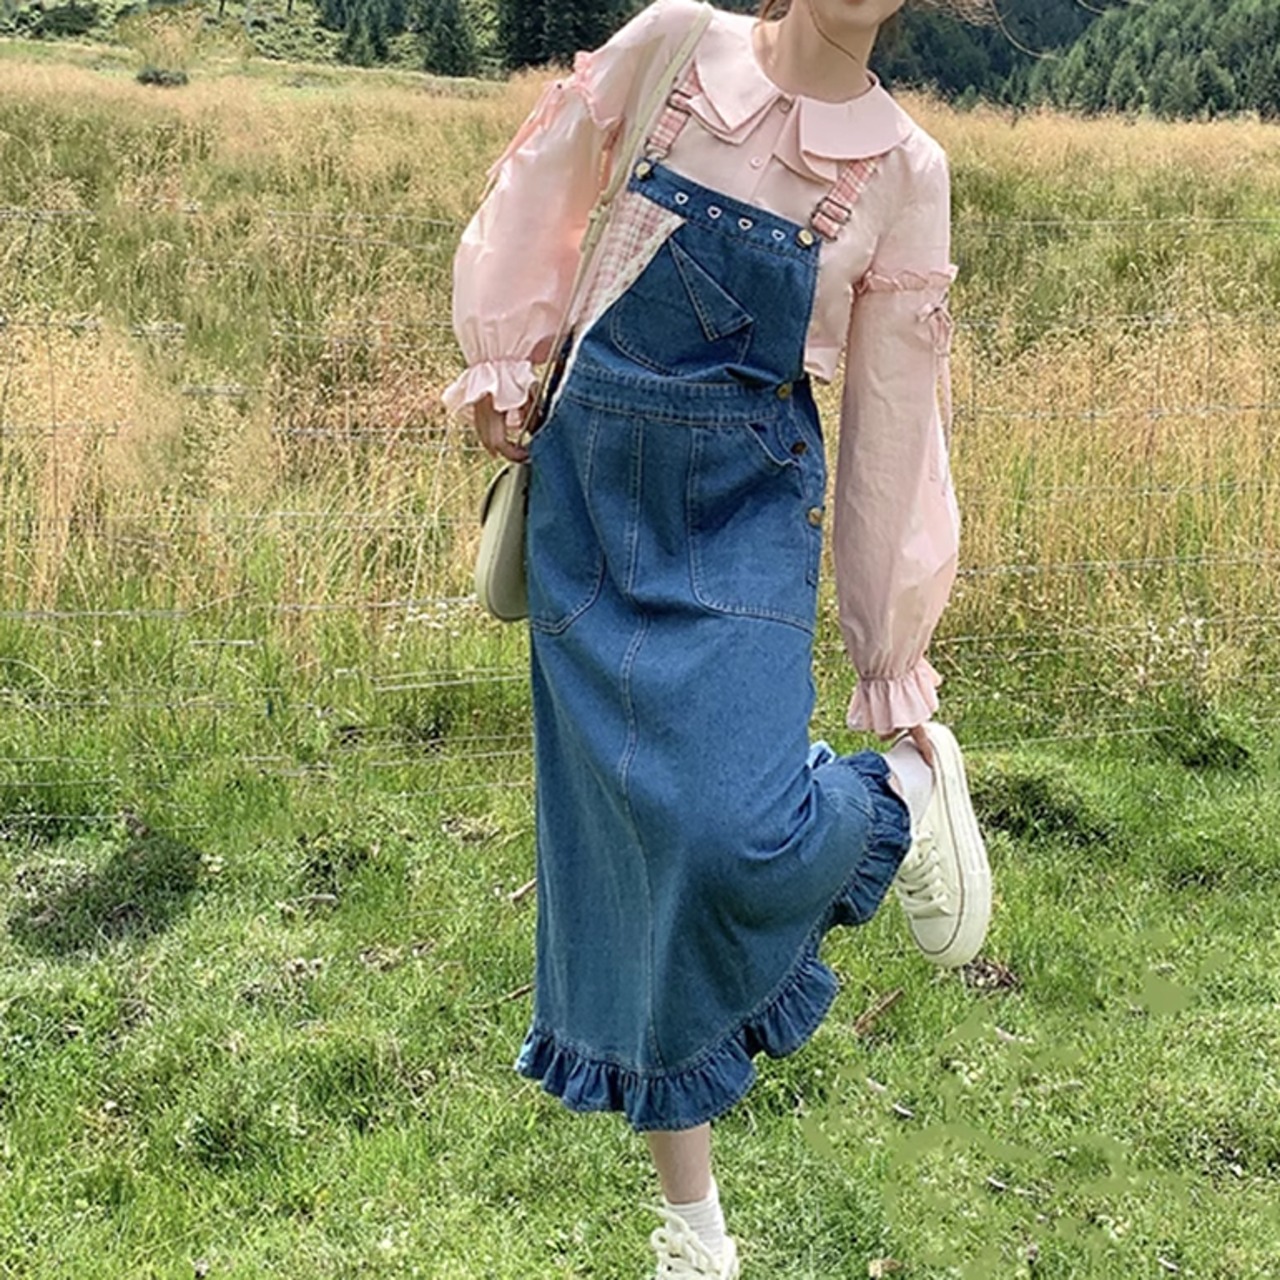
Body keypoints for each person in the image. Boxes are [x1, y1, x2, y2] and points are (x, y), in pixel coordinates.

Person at [444, 1, 994, 1274]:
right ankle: (693, 1230)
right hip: (590, 497)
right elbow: (541, 181)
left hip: (744, 510)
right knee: (629, 862)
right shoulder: (676, 42)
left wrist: (889, 655)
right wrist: (504, 354)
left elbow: (894, 422)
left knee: (727, 834)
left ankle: (902, 791)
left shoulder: (904, 172)